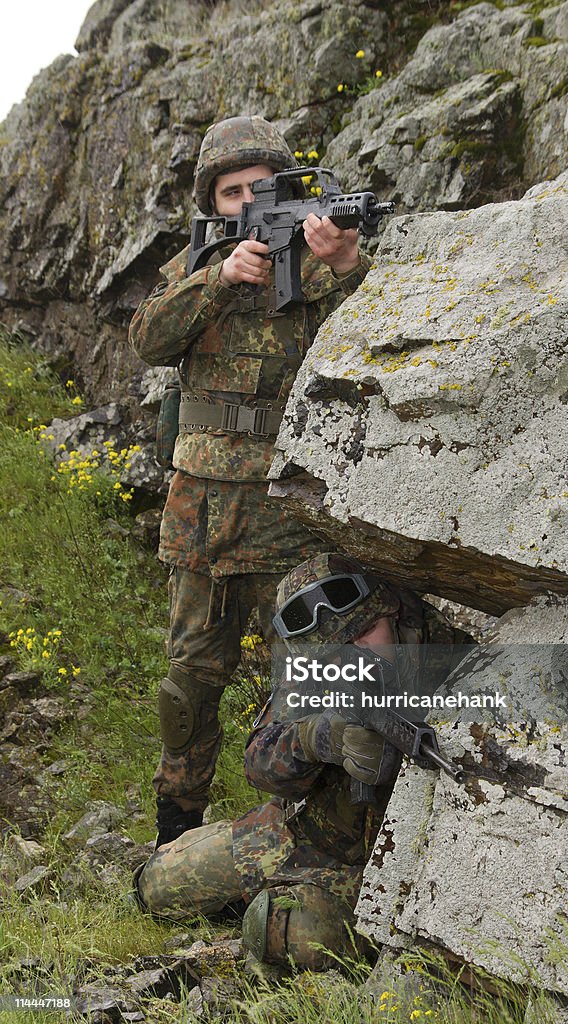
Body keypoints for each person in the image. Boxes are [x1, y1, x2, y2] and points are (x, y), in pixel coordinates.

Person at [128, 116, 371, 848]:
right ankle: (176, 831)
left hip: (286, 509)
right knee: (190, 683)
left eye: (256, 189)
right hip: (199, 509)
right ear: (212, 201)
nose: (242, 203)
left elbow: (382, 329)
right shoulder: (195, 266)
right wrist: (218, 280)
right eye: (229, 191)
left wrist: (349, 260)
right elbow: (147, 339)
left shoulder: (321, 262)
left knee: (302, 676)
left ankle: (304, 832)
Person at [136, 552, 472, 969]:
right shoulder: (313, 672)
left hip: (383, 867)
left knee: (290, 932)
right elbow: (258, 761)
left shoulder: (456, 662)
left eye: (368, 629)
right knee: (157, 886)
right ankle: (271, 891)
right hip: (304, 833)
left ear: (394, 612)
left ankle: (278, 908)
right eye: (339, 650)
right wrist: (317, 739)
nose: (360, 652)